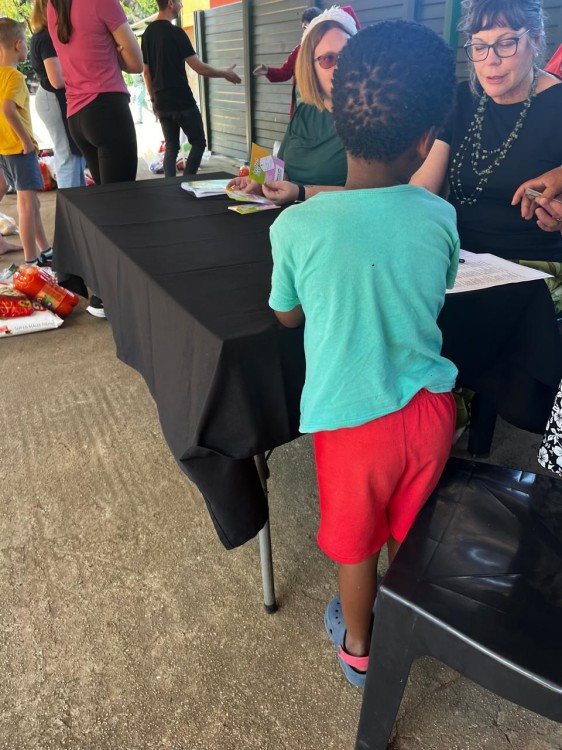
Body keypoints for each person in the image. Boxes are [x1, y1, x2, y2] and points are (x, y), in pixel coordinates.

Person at [268, 19, 458, 688]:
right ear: (424, 140)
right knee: (410, 530)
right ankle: (409, 624)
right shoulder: (438, 215)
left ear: (335, 117)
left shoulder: (296, 226)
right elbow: (438, 284)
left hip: (353, 423)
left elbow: (286, 314)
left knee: (357, 548)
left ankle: (359, 649)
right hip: (432, 412)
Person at [411, 0, 562, 312]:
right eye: (479, 46)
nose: (490, 60)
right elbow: (423, 188)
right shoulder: (463, 98)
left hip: (535, 268)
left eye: (505, 43)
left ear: (535, 41)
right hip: (462, 263)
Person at [48, 0, 143, 317]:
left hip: (77, 115)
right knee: (120, 208)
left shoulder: (54, 6)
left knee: (106, 205)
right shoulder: (102, 2)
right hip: (107, 109)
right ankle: (108, 295)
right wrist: (113, 51)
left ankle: (102, 288)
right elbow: (136, 62)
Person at [228, 6, 358, 202]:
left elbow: (372, 193)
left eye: (347, 56)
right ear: (310, 68)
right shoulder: (305, 111)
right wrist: (258, 180)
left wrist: (302, 192)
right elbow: (282, 169)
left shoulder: (369, 119)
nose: (341, 66)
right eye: (328, 59)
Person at [141, 0, 241, 179]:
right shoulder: (176, 33)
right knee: (199, 142)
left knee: (171, 147)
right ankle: (187, 182)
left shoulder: (147, 34)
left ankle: (169, 187)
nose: (182, 6)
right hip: (181, 100)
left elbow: (146, 73)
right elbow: (199, 67)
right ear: (170, 3)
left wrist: (153, 100)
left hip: (162, 102)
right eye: (180, 2)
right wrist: (225, 73)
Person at [0, 19, 52, 266]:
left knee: (33, 203)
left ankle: (45, 250)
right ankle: (32, 262)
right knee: (27, 206)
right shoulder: (15, 77)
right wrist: (26, 141)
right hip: (19, 150)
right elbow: (7, 109)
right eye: (26, 43)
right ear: (18, 45)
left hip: (4, 149)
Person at [30, 0, 86, 189]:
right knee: (68, 154)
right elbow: (57, 80)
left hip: (54, 97)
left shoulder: (45, 34)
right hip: (53, 98)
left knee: (75, 154)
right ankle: (70, 202)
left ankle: (79, 201)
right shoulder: (46, 37)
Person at [252, 6, 322, 117]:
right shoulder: (298, 51)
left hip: (321, 108)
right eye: (303, 28)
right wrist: (268, 71)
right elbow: (285, 72)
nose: (305, 32)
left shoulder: (327, 49)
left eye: (307, 27)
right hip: (300, 110)